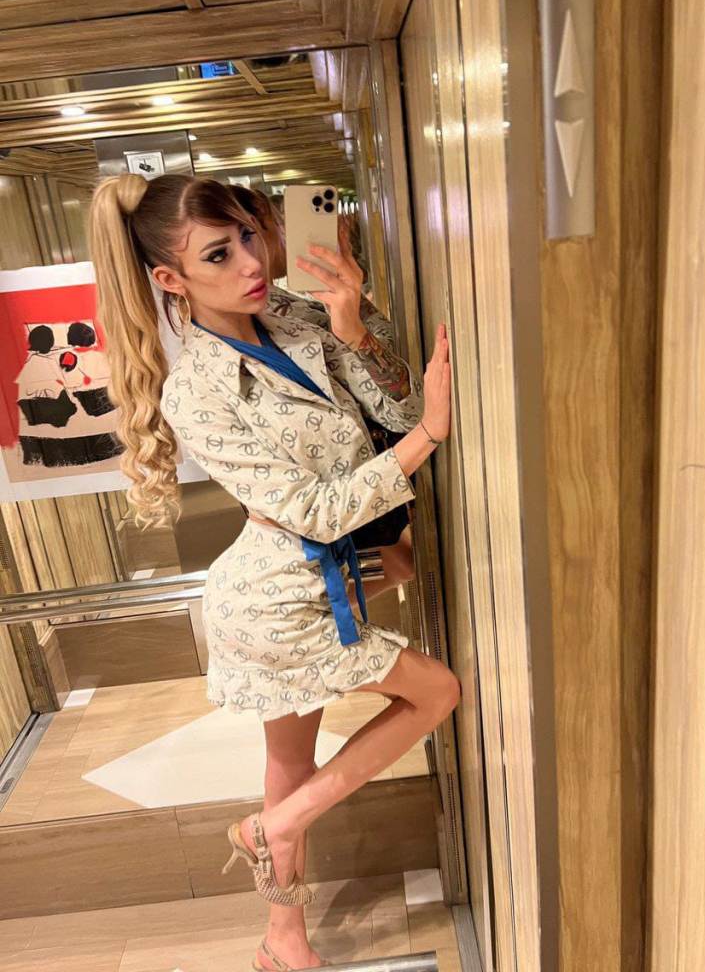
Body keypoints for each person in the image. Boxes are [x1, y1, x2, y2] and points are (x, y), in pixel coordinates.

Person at [88, 173, 460, 972]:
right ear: (171, 279)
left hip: (314, 579)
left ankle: (282, 940)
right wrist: (427, 438)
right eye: (219, 254)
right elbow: (319, 507)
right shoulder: (197, 392)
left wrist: (354, 325)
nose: (252, 262)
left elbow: (399, 410)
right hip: (276, 601)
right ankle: (272, 828)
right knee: (436, 693)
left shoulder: (294, 315)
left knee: (289, 766)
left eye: (249, 235)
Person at [229, 184, 416, 602]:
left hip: (347, 480)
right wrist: (355, 317)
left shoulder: (276, 307)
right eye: (275, 222)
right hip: (348, 482)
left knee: (398, 564)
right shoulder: (274, 320)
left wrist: (353, 307)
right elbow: (402, 409)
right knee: (357, 579)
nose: (285, 232)